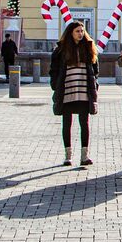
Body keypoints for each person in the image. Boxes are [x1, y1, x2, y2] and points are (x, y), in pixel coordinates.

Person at [50, 21, 98, 167]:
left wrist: (94, 85)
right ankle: (68, 156)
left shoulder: (89, 48)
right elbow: (54, 70)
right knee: (67, 123)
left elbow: (95, 70)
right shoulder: (61, 50)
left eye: (82, 31)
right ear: (71, 32)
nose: (80, 33)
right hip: (67, 90)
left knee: (84, 123)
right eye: (77, 31)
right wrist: (55, 85)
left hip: (84, 91)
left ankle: (85, 156)